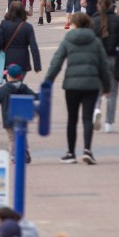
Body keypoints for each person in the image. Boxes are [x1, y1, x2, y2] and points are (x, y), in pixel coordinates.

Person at [44, 12, 111, 165]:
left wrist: (48, 81)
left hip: (72, 85)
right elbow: (104, 66)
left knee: (72, 119)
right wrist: (106, 86)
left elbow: (57, 61)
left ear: (75, 24)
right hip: (91, 84)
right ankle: (87, 150)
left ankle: (71, 153)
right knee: (87, 118)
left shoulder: (68, 39)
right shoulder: (95, 41)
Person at [90, 0, 119, 134]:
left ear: (98, 6)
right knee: (112, 92)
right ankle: (109, 123)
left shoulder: (93, 21)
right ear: (112, 5)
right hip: (114, 59)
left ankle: (96, 109)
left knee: (98, 89)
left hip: (98, 60)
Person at [0, 64, 38, 163]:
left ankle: (14, 156)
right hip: (21, 118)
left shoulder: (3, 89)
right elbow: (34, 96)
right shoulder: (24, 88)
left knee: (12, 139)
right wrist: (41, 95)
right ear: (20, 76)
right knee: (22, 136)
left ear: (8, 76)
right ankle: (25, 154)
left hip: (8, 119)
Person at [0, 1, 42, 77]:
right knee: (19, 83)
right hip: (22, 61)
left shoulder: (4, 24)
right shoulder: (27, 27)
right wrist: (37, 65)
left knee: (10, 83)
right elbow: (34, 47)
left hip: (7, 60)